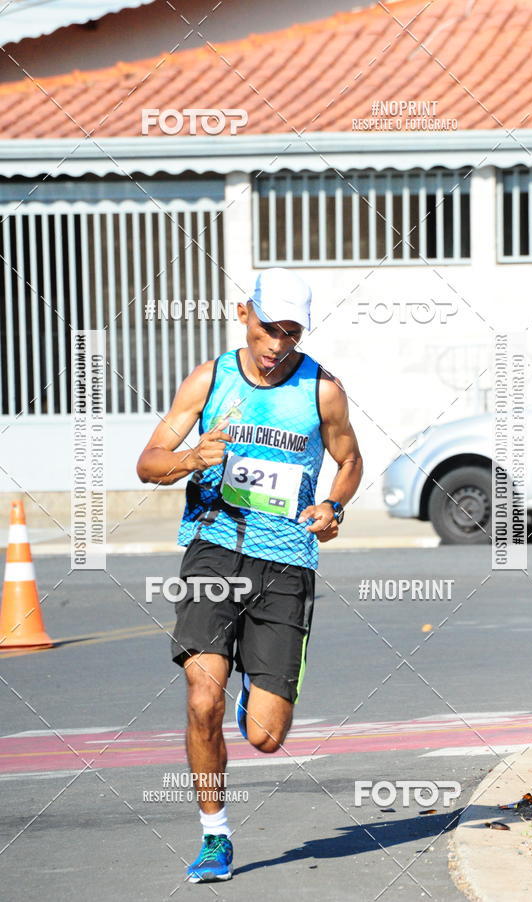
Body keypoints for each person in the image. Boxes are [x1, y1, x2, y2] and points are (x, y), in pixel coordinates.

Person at [136, 268, 363, 882]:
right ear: (244, 314)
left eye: (290, 334)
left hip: (287, 560)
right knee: (202, 693)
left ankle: (257, 702)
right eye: (268, 330)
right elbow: (147, 463)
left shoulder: (323, 389)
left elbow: (349, 459)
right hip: (214, 548)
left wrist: (334, 506)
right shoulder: (210, 378)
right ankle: (215, 836)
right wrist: (188, 458)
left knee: (266, 736)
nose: (276, 345)